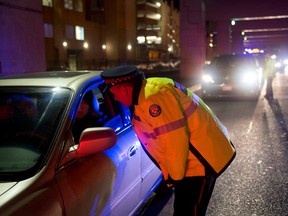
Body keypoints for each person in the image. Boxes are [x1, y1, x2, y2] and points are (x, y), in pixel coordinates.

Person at [100, 65, 236, 216]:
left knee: (189, 212)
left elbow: (174, 141)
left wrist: (175, 178)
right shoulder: (148, 90)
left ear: (124, 89)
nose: (115, 98)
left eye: (114, 94)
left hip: (200, 160)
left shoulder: (152, 99)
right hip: (194, 157)